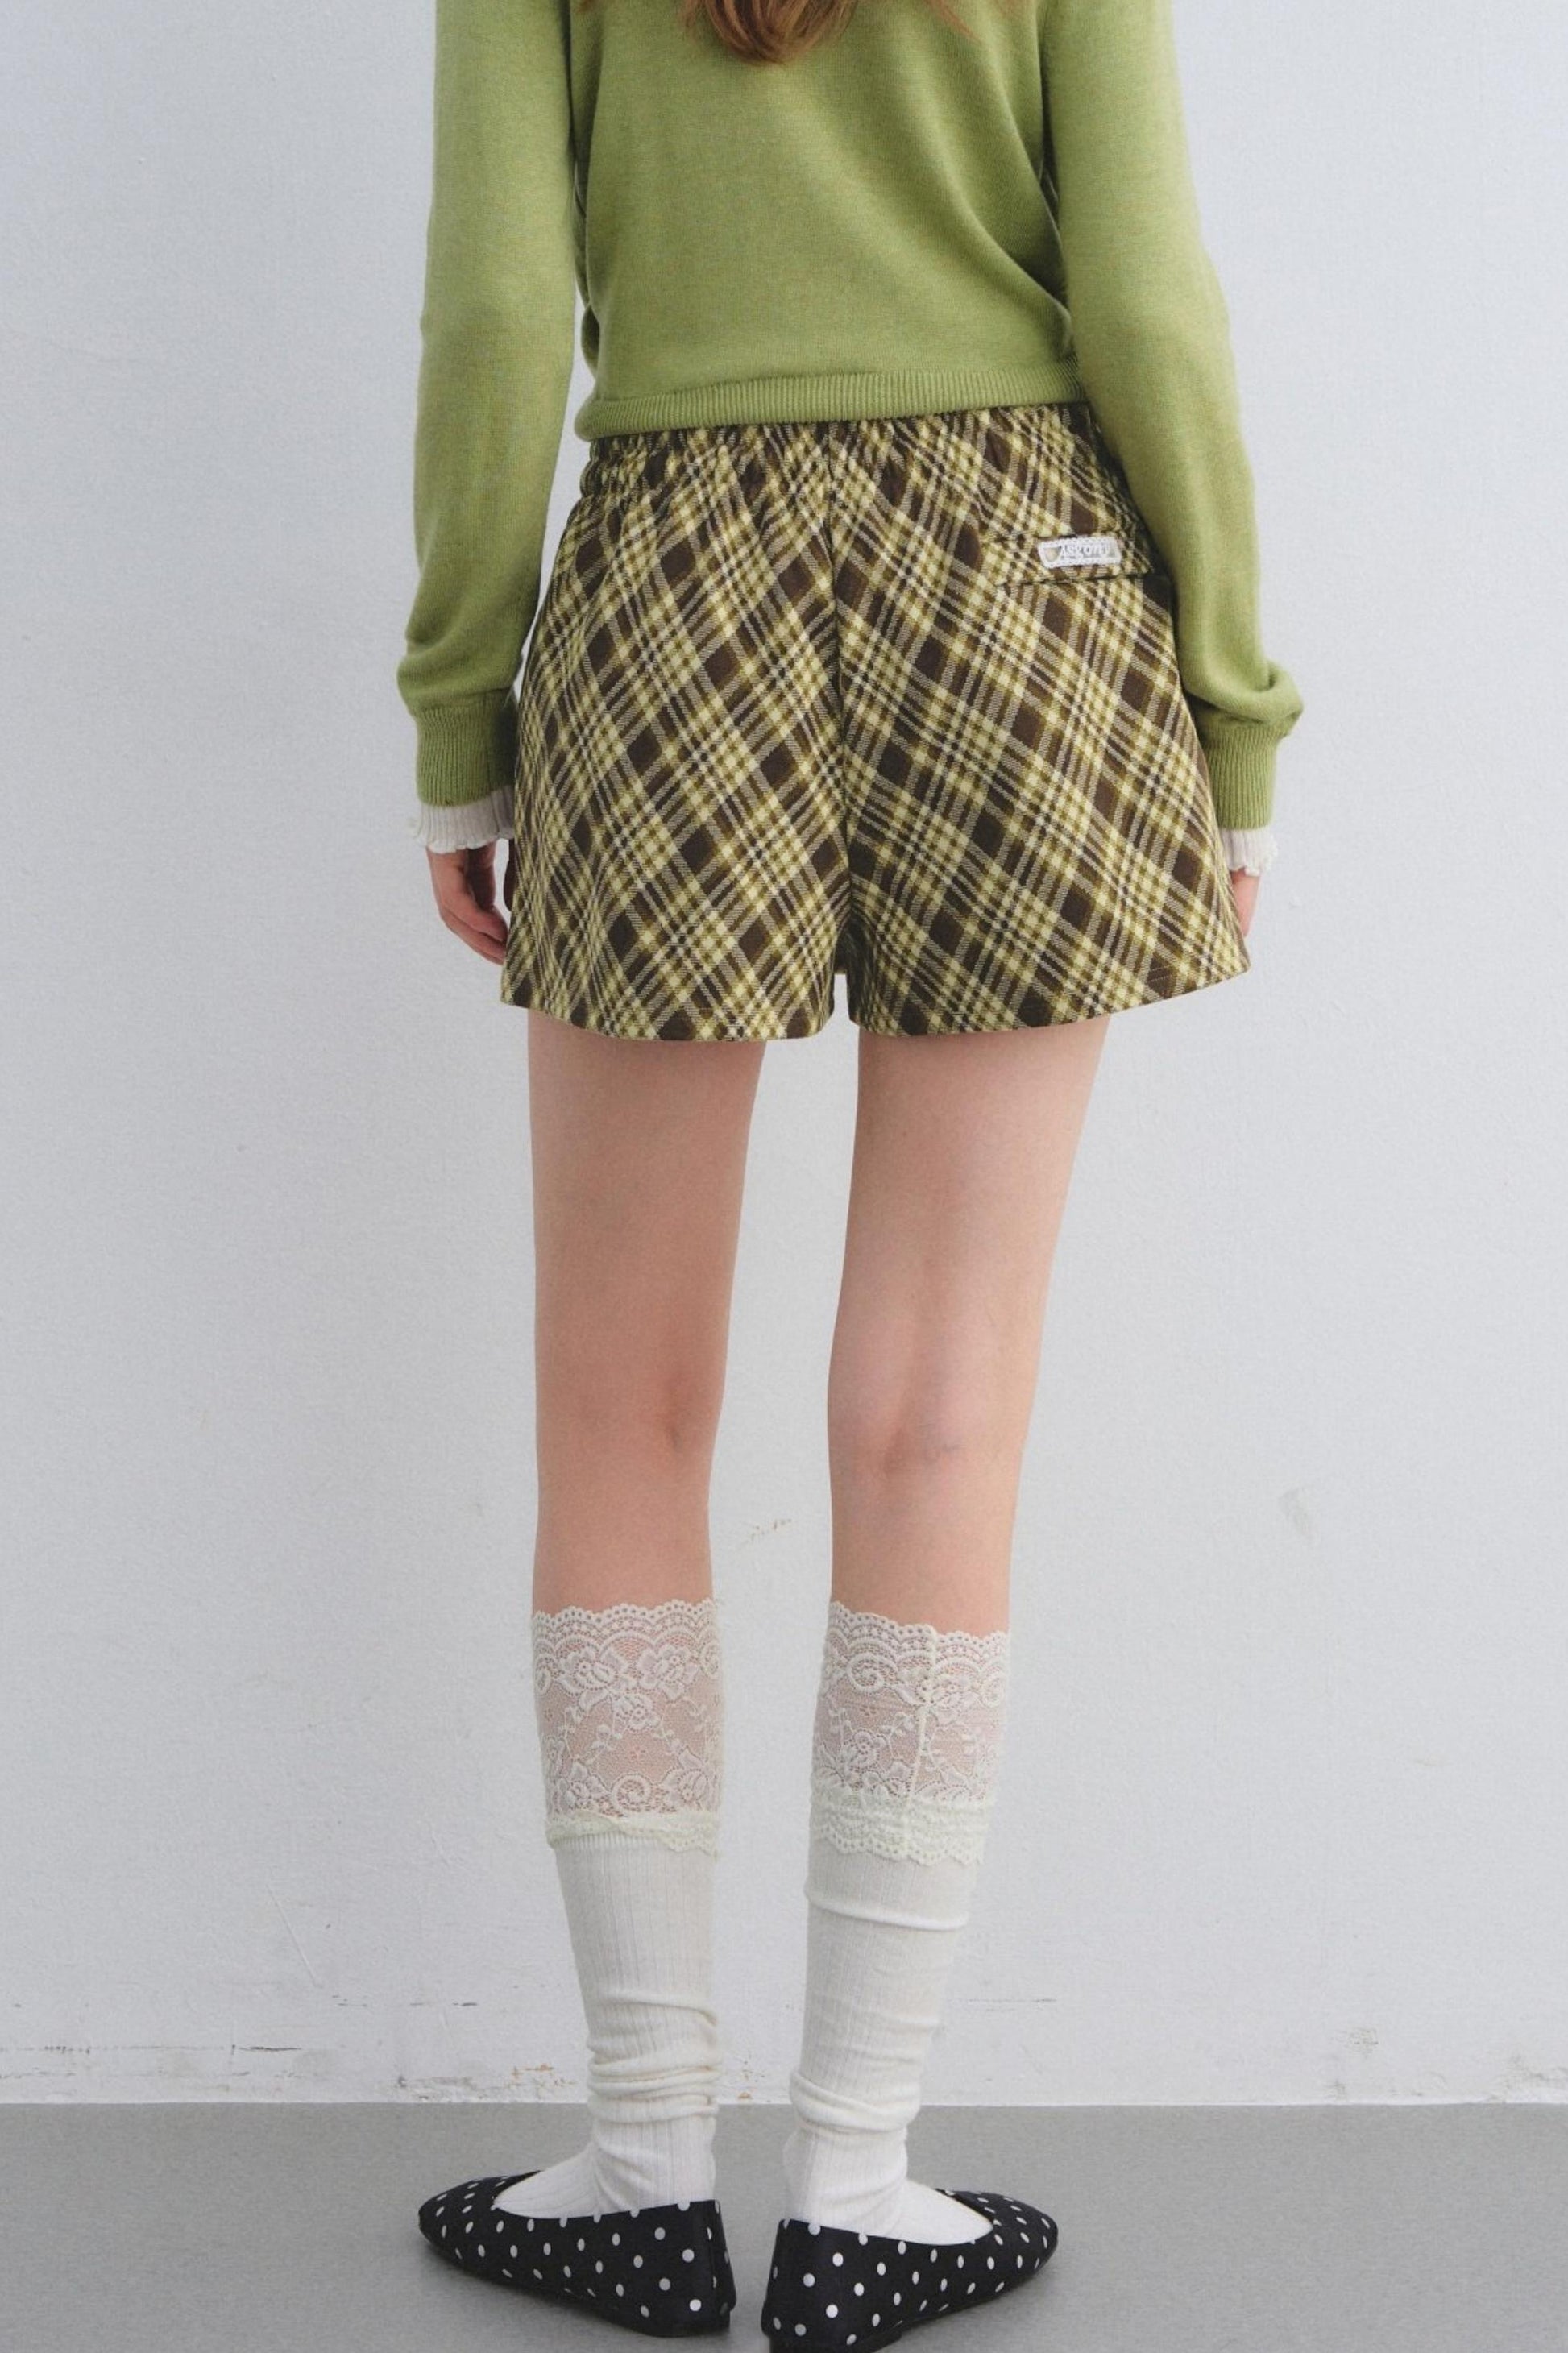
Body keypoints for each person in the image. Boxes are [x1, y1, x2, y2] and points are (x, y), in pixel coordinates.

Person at [397, 0, 1302, 2338]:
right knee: (942, 1411)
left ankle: (640, 2167)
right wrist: (1231, 714)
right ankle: (859, 2183)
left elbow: (497, 306)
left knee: (618, 1407)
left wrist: (462, 722)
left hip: (669, 579)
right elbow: (1146, 297)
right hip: (1032, 579)